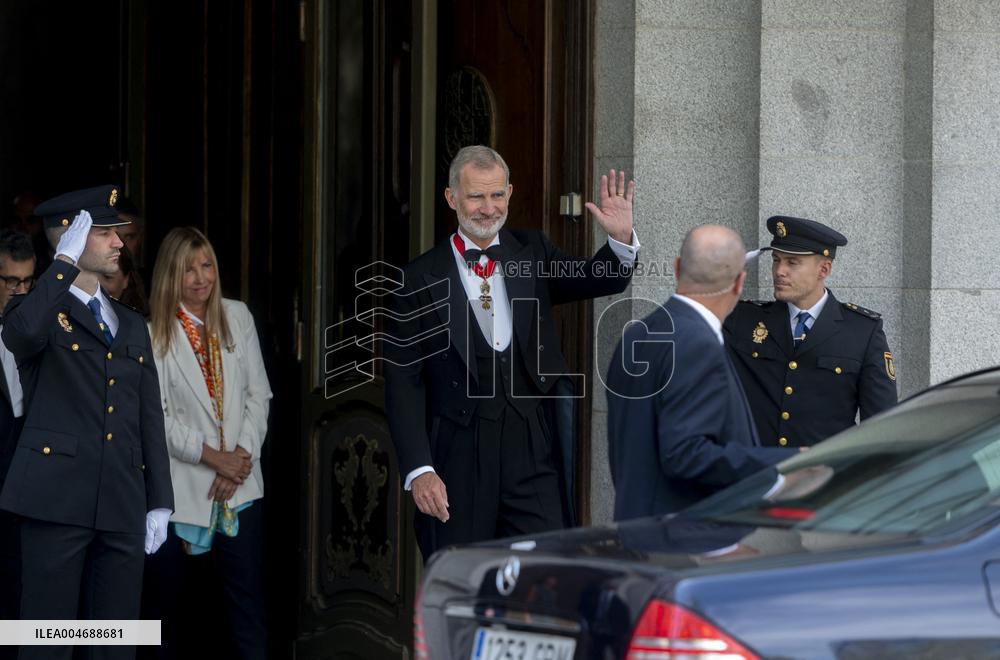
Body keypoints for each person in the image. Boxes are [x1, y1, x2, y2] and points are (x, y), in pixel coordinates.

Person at [384, 145, 639, 559]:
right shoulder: (416, 279)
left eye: (497, 195)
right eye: (476, 196)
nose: (488, 208)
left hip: (531, 445)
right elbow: (403, 382)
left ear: (510, 193)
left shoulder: (532, 250)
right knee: (464, 575)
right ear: (451, 198)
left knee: (547, 568)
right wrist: (420, 469)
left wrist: (620, 239)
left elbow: (599, 278)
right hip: (459, 453)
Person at [0, 185, 173, 660]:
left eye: (119, 232)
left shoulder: (130, 323)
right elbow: (21, 335)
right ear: (70, 237)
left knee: (115, 645)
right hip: (56, 501)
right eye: (104, 232)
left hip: (121, 501)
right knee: (46, 642)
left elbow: (148, 415)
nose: (120, 242)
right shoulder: (32, 310)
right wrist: (63, 264)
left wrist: (160, 498)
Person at [606, 225, 794, 521]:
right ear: (739, 282)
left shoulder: (638, 333)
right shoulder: (697, 343)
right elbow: (685, 454)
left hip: (638, 527)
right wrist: (790, 460)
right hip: (684, 537)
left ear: (677, 267)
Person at [146, 226, 272, 659]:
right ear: (170, 275)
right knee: (172, 610)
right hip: (184, 491)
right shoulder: (153, 334)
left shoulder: (237, 316)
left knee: (246, 605)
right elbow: (157, 419)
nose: (201, 278)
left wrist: (239, 459)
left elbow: (259, 394)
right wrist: (216, 459)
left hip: (239, 488)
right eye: (188, 270)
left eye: (207, 266)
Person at [724, 216, 898, 448]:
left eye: (792, 263)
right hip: (758, 468)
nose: (779, 271)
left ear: (823, 269)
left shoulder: (863, 332)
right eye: (776, 260)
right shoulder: (743, 319)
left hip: (826, 470)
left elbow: (880, 427)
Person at [0, 230, 35, 653]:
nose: (20, 291)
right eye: (11, 281)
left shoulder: (42, 331)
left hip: (27, 492)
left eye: (27, 282)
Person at [101, 245, 150, 317]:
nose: (97, 286)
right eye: (90, 275)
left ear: (126, 280)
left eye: (107, 277)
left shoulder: (139, 321)